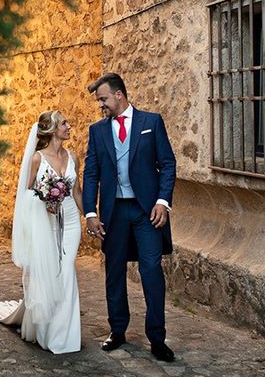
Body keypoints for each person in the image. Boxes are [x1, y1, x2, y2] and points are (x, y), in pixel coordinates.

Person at [82, 73, 177, 362]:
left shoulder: (151, 122)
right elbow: (92, 173)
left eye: (103, 99)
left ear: (119, 94)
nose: (101, 105)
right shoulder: (97, 131)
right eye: (99, 101)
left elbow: (168, 163)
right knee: (114, 273)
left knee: (151, 271)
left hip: (145, 211)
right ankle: (118, 330)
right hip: (114, 212)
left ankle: (157, 338)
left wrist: (163, 201)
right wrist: (90, 212)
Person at [0, 110, 83, 354]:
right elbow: (26, 194)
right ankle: (47, 331)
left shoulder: (74, 157)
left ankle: (66, 334)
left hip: (70, 221)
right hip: (45, 221)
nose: (70, 126)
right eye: (64, 123)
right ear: (52, 129)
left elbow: (77, 192)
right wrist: (44, 200)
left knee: (66, 271)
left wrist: (90, 216)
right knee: (49, 273)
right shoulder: (37, 159)